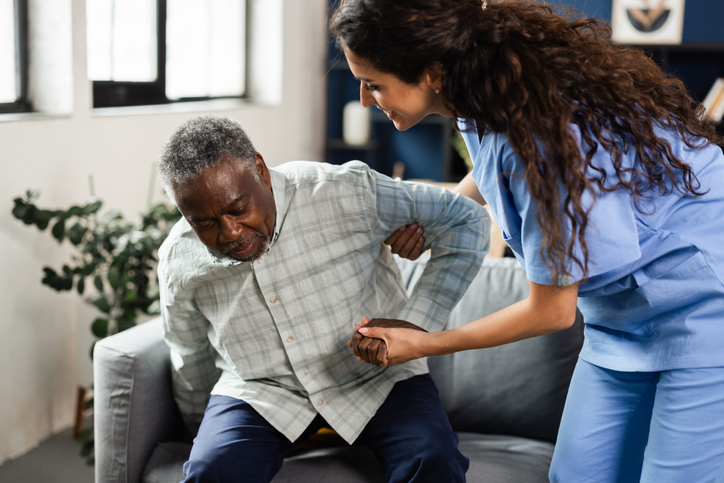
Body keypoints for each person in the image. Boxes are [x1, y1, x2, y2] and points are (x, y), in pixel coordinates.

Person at [330, 1, 724, 482]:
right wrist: (444, 216)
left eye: (373, 82)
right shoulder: (487, 95)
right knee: (577, 475)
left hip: (704, 316)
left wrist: (424, 344)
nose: (367, 99)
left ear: (431, 71)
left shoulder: (544, 143)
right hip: (621, 322)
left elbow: (552, 312)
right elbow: (491, 164)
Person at [156, 115, 489, 482]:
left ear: (261, 170)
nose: (230, 233)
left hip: (377, 379)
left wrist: (417, 323)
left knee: (433, 458)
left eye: (238, 209)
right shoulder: (178, 258)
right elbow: (189, 353)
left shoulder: (344, 188)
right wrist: (202, 431)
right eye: (204, 223)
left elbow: (466, 221)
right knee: (210, 472)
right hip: (261, 392)